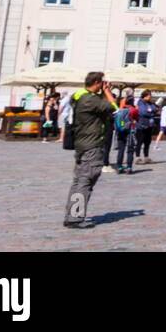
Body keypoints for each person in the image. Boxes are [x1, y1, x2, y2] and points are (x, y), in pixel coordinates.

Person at [64, 72, 116, 229]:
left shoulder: (80, 96)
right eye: (102, 83)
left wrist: (101, 92)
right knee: (85, 180)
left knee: (79, 180)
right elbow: (113, 107)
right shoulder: (90, 100)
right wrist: (107, 92)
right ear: (97, 82)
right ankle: (74, 217)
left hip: (82, 145)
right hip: (91, 145)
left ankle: (72, 215)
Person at [112, 95, 138, 174]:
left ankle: (119, 167)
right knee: (130, 150)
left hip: (120, 131)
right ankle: (129, 167)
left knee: (121, 149)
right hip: (130, 131)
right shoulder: (133, 110)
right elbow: (136, 119)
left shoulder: (120, 110)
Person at [135, 91, 158, 163]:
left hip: (149, 125)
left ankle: (146, 157)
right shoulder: (140, 102)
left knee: (147, 142)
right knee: (140, 141)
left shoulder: (150, 103)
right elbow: (143, 112)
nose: (150, 97)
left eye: (150, 96)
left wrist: (150, 111)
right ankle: (137, 157)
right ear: (144, 96)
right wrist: (151, 112)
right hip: (141, 125)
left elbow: (155, 109)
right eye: (149, 96)